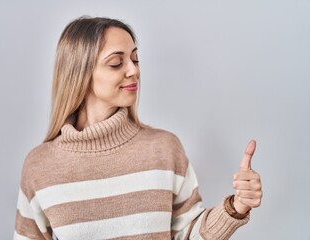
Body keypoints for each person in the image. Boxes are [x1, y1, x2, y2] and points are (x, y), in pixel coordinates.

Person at [14, 17, 262, 240]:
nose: (133, 71)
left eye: (135, 59)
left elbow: (188, 235)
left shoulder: (164, 149)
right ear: (79, 73)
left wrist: (236, 206)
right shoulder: (40, 166)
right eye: (116, 63)